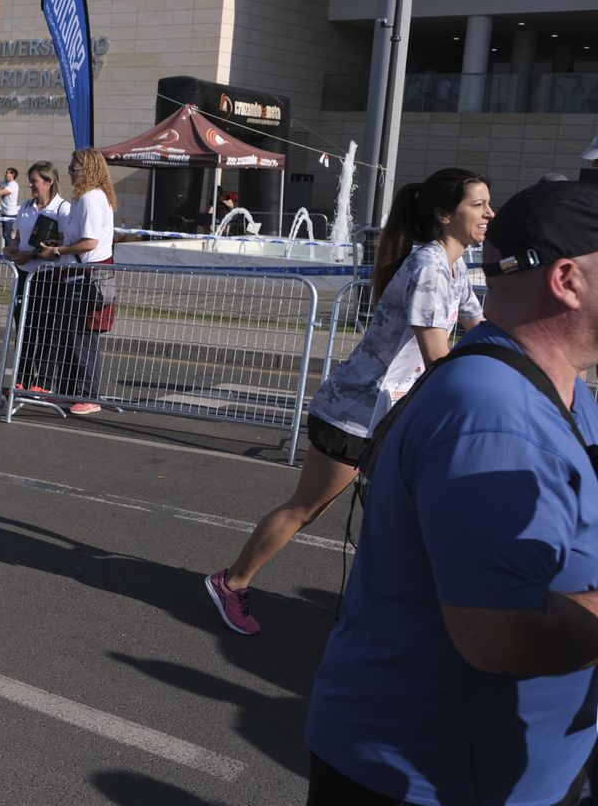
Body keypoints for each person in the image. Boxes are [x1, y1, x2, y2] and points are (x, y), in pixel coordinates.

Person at [304, 178, 598, 805]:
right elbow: (499, 636)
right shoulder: (493, 414)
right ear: (568, 279)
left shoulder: (564, 387)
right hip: (434, 776)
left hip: (518, 766)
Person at [205, 168, 494, 635]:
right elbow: (438, 356)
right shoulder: (428, 268)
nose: (489, 213)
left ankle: (388, 610)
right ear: (444, 215)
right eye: (478, 204)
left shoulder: (454, 265)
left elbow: (478, 328)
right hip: (354, 413)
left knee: (400, 514)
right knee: (307, 508)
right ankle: (231, 581)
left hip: (392, 413)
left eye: (488, 204)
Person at [52, 148, 118, 414]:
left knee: (83, 338)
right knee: (69, 337)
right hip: (77, 275)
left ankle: (90, 395)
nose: (70, 170)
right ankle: (69, 391)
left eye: (74, 167)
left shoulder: (91, 198)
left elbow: (89, 242)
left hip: (88, 277)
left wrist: (57, 251)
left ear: (88, 169)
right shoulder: (82, 199)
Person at [2, 161, 70, 393]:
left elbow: (62, 243)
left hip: (48, 276)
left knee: (46, 330)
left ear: (49, 182)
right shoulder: (27, 206)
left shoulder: (62, 208)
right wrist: (11, 248)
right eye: (30, 181)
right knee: (24, 328)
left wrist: (31, 253)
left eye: (35, 181)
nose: (30, 185)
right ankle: (22, 377)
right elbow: (18, 236)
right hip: (24, 274)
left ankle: (44, 382)